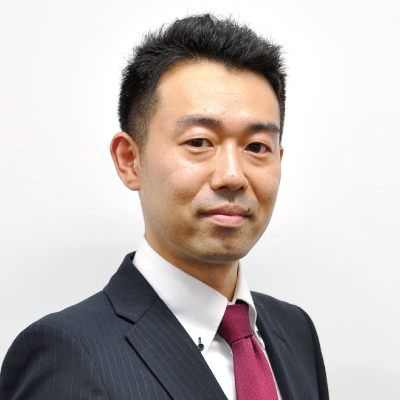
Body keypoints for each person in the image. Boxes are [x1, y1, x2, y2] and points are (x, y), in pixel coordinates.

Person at [0, 14, 329, 400]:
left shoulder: (295, 331)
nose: (232, 176)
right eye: (199, 142)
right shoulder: (66, 354)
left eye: (257, 147)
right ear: (130, 160)